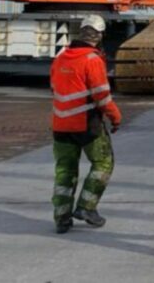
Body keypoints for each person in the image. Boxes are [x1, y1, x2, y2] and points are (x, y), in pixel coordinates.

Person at [50, 14, 122, 234]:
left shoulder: (61, 57)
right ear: (99, 36)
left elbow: (54, 85)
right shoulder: (92, 60)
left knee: (64, 171)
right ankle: (86, 207)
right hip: (87, 125)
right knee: (103, 163)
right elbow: (102, 96)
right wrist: (115, 117)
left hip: (60, 124)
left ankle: (61, 217)